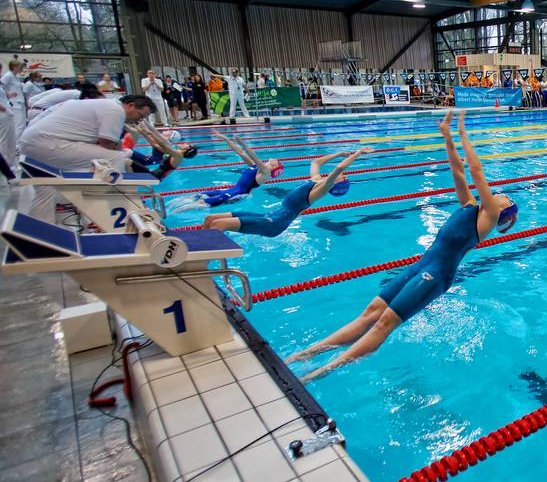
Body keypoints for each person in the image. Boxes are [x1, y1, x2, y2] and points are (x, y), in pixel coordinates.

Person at [286, 111, 518, 381]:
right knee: (371, 312)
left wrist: (463, 132)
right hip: (421, 266)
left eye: (505, 197)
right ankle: (305, 355)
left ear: (502, 209)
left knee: (385, 323)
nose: (501, 194)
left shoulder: (488, 217)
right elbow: (458, 169)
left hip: (437, 275)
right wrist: (446, 135)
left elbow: (476, 171)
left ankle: (320, 373)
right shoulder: (468, 206)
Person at [17, 95, 156, 222]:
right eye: (140, 115)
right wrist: (122, 149)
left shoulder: (101, 104)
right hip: (48, 144)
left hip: (31, 142)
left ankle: (41, 227)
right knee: (116, 158)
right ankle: (117, 209)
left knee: (46, 186)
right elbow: (107, 145)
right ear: (130, 105)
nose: (139, 120)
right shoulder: (116, 110)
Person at [202, 147, 371, 237]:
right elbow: (316, 161)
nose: (344, 174)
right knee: (210, 219)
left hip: (274, 224)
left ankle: (201, 263)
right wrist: (339, 153)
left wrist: (358, 153)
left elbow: (340, 167)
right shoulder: (316, 180)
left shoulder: (322, 188)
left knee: (219, 225)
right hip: (269, 215)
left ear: (337, 183)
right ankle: (195, 250)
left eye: (345, 177)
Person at [171, 134, 282, 211]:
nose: (277, 159)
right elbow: (240, 152)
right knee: (198, 195)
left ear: (275, 167)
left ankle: (172, 213)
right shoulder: (254, 167)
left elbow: (254, 157)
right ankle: (171, 206)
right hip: (230, 190)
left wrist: (244, 145)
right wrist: (225, 139)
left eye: (279, 162)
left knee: (201, 203)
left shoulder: (265, 173)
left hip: (237, 195)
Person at [1, 60, 25, 167]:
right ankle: (16, 148)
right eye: (20, 67)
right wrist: (6, 99)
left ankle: (16, 148)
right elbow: (2, 86)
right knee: (18, 127)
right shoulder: (8, 76)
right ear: (14, 67)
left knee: (21, 126)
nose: (22, 69)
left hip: (18, 103)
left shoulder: (15, 77)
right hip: (12, 106)